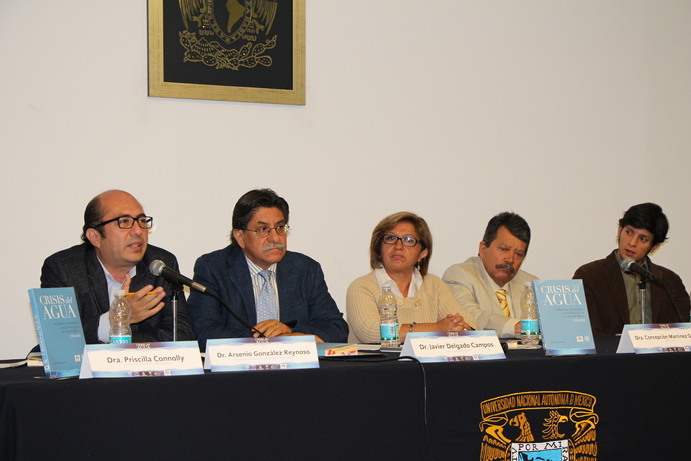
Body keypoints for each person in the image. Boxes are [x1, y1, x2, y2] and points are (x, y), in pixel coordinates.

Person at [187, 188, 348, 348]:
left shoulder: (305, 269)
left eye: (280, 227)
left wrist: (291, 332)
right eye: (263, 229)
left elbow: (336, 328)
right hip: (239, 370)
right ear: (240, 237)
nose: (275, 237)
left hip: (296, 371)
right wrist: (268, 341)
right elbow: (202, 331)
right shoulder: (213, 268)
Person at [41, 190, 195, 344]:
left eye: (142, 221)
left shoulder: (160, 264)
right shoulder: (61, 269)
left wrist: (118, 345)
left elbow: (180, 335)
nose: (138, 231)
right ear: (95, 237)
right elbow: (59, 339)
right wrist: (117, 320)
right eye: (125, 222)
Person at [346, 212, 476, 344]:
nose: (398, 246)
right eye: (391, 238)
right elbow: (370, 332)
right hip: (379, 364)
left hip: (426, 364)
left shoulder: (433, 285)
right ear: (379, 248)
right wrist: (437, 328)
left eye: (409, 240)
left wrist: (455, 325)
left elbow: (470, 324)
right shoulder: (362, 286)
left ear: (422, 254)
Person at [573, 203, 690, 335]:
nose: (632, 243)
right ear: (619, 230)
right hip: (611, 354)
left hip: (657, 355)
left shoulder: (669, 281)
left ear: (654, 246)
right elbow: (587, 333)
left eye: (643, 238)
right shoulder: (590, 276)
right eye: (629, 232)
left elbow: (681, 333)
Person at [442, 212, 537, 338]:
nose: (510, 259)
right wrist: (514, 327)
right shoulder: (459, 275)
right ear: (483, 249)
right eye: (503, 249)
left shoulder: (531, 284)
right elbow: (468, 317)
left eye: (518, 254)